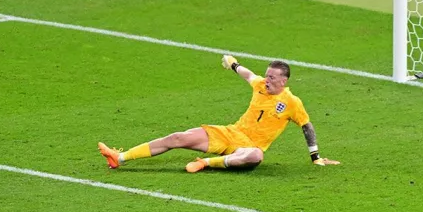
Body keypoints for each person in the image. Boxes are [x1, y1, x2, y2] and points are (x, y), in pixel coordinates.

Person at [98, 56, 340, 172]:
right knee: (178, 138)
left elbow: (306, 126)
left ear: (284, 80)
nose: (267, 79)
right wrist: (233, 64)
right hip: (230, 134)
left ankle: (205, 163)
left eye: (272, 77)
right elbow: (247, 74)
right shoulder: (259, 85)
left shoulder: (291, 102)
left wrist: (315, 156)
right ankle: (119, 158)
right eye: (267, 75)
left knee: (255, 157)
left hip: (249, 147)